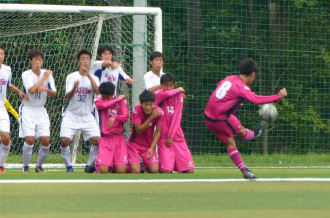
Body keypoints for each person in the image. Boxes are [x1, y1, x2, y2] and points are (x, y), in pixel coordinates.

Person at [204, 58, 287, 179]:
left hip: (208, 117)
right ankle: (254, 135)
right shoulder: (241, 87)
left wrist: (232, 101)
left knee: (230, 142)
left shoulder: (229, 78)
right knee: (242, 133)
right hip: (220, 117)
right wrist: (278, 96)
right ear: (252, 74)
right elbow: (256, 99)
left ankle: (245, 171)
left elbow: (219, 88)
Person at [60, 49, 100, 173]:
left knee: (97, 141)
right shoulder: (71, 77)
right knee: (64, 141)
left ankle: (89, 166)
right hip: (72, 114)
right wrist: (75, 87)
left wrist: (88, 76)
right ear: (78, 61)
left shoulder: (93, 78)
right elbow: (68, 96)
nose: (85, 61)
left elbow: (98, 92)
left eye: (87, 59)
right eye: (82, 59)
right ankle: (68, 167)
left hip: (87, 114)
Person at [19, 49, 56, 173]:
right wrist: (43, 78)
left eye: (40, 59)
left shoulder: (48, 74)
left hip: (41, 110)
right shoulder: (26, 74)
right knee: (29, 139)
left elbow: (54, 94)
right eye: (35, 60)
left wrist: (45, 89)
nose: (38, 62)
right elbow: (32, 90)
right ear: (30, 61)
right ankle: (25, 166)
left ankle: (39, 166)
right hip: (28, 109)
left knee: (46, 140)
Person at [154, 73, 195, 173]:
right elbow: (165, 94)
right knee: (166, 171)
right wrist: (178, 89)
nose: (169, 88)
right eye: (166, 85)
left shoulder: (179, 96)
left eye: (171, 85)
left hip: (176, 135)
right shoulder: (158, 94)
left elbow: (177, 116)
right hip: (163, 137)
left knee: (189, 170)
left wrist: (171, 136)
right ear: (161, 85)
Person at [0, 44, 27, 173]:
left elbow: (8, 85)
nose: (0, 56)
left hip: (1, 108)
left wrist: (19, 91)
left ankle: (0, 166)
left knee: (5, 137)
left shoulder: (7, 70)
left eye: (1, 54)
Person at [94, 82, 129, 173]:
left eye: (107, 97)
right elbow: (104, 105)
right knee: (103, 171)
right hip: (106, 139)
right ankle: (97, 164)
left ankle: (112, 165)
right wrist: (116, 100)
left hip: (119, 139)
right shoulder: (98, 101)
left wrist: (115, 117)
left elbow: (125, 117)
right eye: (103, 96)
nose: (104, 99)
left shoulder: (121, 101)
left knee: (121, 171)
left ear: (113, 94)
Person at [127, 90, 163, 173]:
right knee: (135, 171)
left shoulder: (159, 112)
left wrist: (151, 147)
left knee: (155, 170)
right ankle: (128, 165)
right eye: (146, 104)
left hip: (147, 146)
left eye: (150, 104)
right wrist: (151, 117)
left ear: (154, 103)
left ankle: (143, 165)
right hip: (134, 145)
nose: (148, 107)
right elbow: (139, 130)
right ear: (141, 103)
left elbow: (158, 132)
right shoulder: (136, 110)